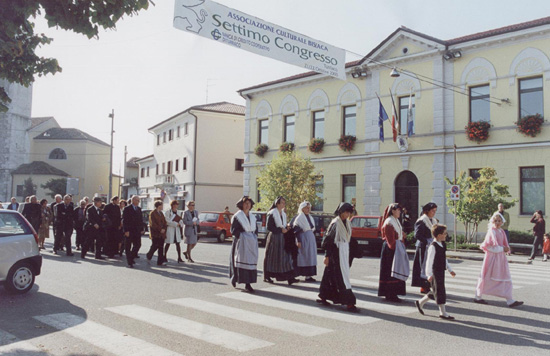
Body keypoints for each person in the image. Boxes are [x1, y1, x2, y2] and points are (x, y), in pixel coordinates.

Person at [474, 212, 523, 308]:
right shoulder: (491, 231)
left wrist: (505, 248)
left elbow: (502, 244)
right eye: (495, 220)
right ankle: (478, 296)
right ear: (492, 221)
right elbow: (487, 246)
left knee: (505, 277)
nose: (497, 222)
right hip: (491, 258)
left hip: (500, 258)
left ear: (502, 222)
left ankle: (510, 300)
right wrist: (502, 249)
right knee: (486, 277)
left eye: (499, 220)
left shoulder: (501, 231)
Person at [317, 202, 358, 313]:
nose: (348, 214)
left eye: (349, 212)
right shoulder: (335, 223)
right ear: (341, 212)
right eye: (346, 212)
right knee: (341, 277)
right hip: (336, 253)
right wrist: (327, 255)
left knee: (330, 275)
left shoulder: (348, 223)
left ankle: (324, 295)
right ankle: (349, 302)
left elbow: (349, 239)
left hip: (344, 252)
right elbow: (329, 240)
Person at [415, 224, 456, 320]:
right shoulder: (433, 246)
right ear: (438, 235)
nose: (446, 235)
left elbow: (444, 259)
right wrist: (428, 274)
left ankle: (420, 303)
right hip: (434, 272)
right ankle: (443, 313)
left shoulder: (442, 244)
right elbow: (429, 262)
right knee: (440, 291)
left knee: (436, 291)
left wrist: (450, 270)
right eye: (444, 233)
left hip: (441, 271)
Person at [263, 196, 298, 285]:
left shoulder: (283, 214)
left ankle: (290, 277)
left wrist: (287, 227)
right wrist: (280, 230)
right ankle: (267, 276)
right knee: (272, 257)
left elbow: (283, 225)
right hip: (274, 238)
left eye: (284, 202)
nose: (284, 204)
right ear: (277, 203)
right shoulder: (272, 213)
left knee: (285, 257)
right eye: (282, 202)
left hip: (283, 237)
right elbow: (269, 227)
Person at [378, 203, 408, 302]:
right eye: (398, 210)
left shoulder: (395, 221)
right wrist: (396, 249)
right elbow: (390, 239)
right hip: (390, 250)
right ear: (393, 211)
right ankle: (389, 294)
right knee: (390, 271)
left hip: (396, 248)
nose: (400, 212)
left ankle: (394, 293)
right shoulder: (389, 222)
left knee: (395, 271)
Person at [229, 196, 259, 292]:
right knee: (237, 261)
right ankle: (234, 278)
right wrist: (242, 237)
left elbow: (255, 229)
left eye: (249, 203)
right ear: (242, 205)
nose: (247, 205)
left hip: (251, 243)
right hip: (241, 242)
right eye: (245, 203)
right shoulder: (237, 216)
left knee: (250, 262)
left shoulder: (252, 217)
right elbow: (233, 230)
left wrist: (253, 237)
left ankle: (248, 283)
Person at [412, 202, 438, 294]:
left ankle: (429, 285)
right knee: (423, 266)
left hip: (430, 246)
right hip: (423, 247)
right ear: (427, 211)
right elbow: (417, 235)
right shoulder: (422, 221)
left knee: (430, 266)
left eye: (435, 211)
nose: (434, 212)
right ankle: (423, 287)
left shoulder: (433, 221)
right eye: (432, 211)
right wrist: (427, 241)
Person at [293, 201, 317, 282]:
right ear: (302, 209)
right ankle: (303, 274)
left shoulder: (310, 217)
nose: (308, 209)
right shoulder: (299, 218)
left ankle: (309, 275)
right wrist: (299, 241)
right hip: (304, 238)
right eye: (306, 208)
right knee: (304, 256)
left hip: (310, 238)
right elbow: (296, 230)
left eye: (309, 208)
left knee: (310, 256)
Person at [123, 195, 144, 268]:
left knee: (138, 245)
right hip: (129, 230)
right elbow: (125, 220)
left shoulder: (139, 209)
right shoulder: (127, 209)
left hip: (137, 230)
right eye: (137, 200)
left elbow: (141, 220)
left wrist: (142, 229)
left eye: (139, 200)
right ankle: (129, 262)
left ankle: (131, 258)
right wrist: (126, 230)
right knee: (128, 246)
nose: (138, 202)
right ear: (133, 200)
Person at [147, 201, 167, 266]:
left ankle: (160, 261)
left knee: (161, 247)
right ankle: (149, 255)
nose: (162, 206)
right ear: (158, 206)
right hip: (155, 233)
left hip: (162, 234)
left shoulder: (161, 213)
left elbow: (164, 222)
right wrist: (160, 229)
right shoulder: (152, 213)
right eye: (161, 205)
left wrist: (164, 228)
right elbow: (152, 224)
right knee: (155, 246)